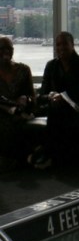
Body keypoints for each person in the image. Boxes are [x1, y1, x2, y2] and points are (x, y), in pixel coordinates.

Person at [32, 32, 79, 168]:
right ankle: (55, 156)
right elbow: (42, 95)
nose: (61, 47)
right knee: (57, 112)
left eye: (65, 44)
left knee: (68, 117)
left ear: (72, 45)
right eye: (58, 44)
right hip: (57, 109)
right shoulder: (51, 66)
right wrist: (50, 96)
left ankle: (49, 154)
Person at [0, 36, 35, 170]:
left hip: (19, 112)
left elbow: (33, 97)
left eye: (9, 48)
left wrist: (26, 98)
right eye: (2, 48)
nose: (6, 51)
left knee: (13, 121)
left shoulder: (24, 70)